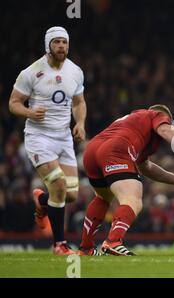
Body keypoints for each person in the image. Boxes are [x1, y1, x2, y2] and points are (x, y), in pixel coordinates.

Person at [78, 104, 174, 256]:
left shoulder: (135, 125)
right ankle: (113, 241)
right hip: (117, 148)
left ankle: (86, 248)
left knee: (103, 197)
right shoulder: (156, 115)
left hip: (92, 150)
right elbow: (165, 130)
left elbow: (146, 167)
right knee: (132, 199)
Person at [8, 26, 87, 255]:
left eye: (64, 42)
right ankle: (59, 245)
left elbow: (79, 102)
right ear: (48, 45)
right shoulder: (31, 72)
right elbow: (13, 103)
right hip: (39, 137)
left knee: (70, 194)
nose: (61, 46)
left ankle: (41, 201)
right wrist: (30, 113)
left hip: (63, 137)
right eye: (57, 42)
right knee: (59, 186)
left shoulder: (75, 71)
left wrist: (80, 123)